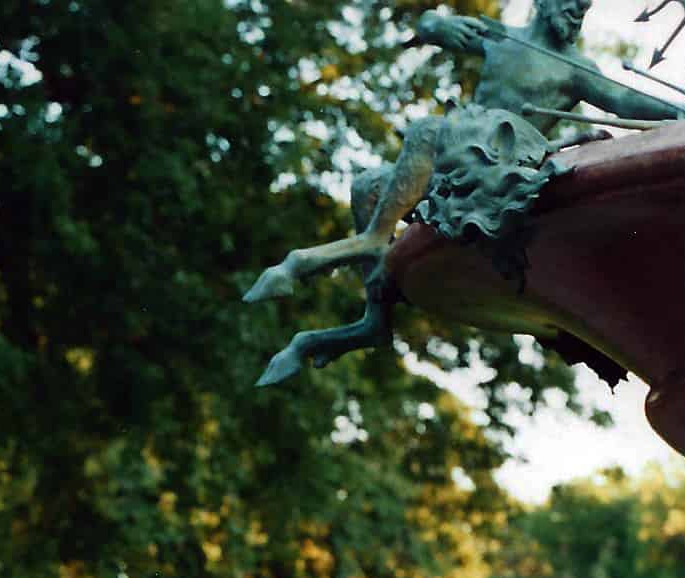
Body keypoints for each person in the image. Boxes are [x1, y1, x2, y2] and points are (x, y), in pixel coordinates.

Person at [245, 0, 684, 381]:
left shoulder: (575, 68)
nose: (575, 12)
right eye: (569, 1)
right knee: (367, 186)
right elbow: (430, 27)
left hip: (504, 160)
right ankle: (372, 321)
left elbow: (624, 102)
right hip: (457, 156)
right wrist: (436, 24)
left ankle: (372, 240)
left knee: (426, 130)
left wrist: (678, 111)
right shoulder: (501, 37)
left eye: (583, 7)